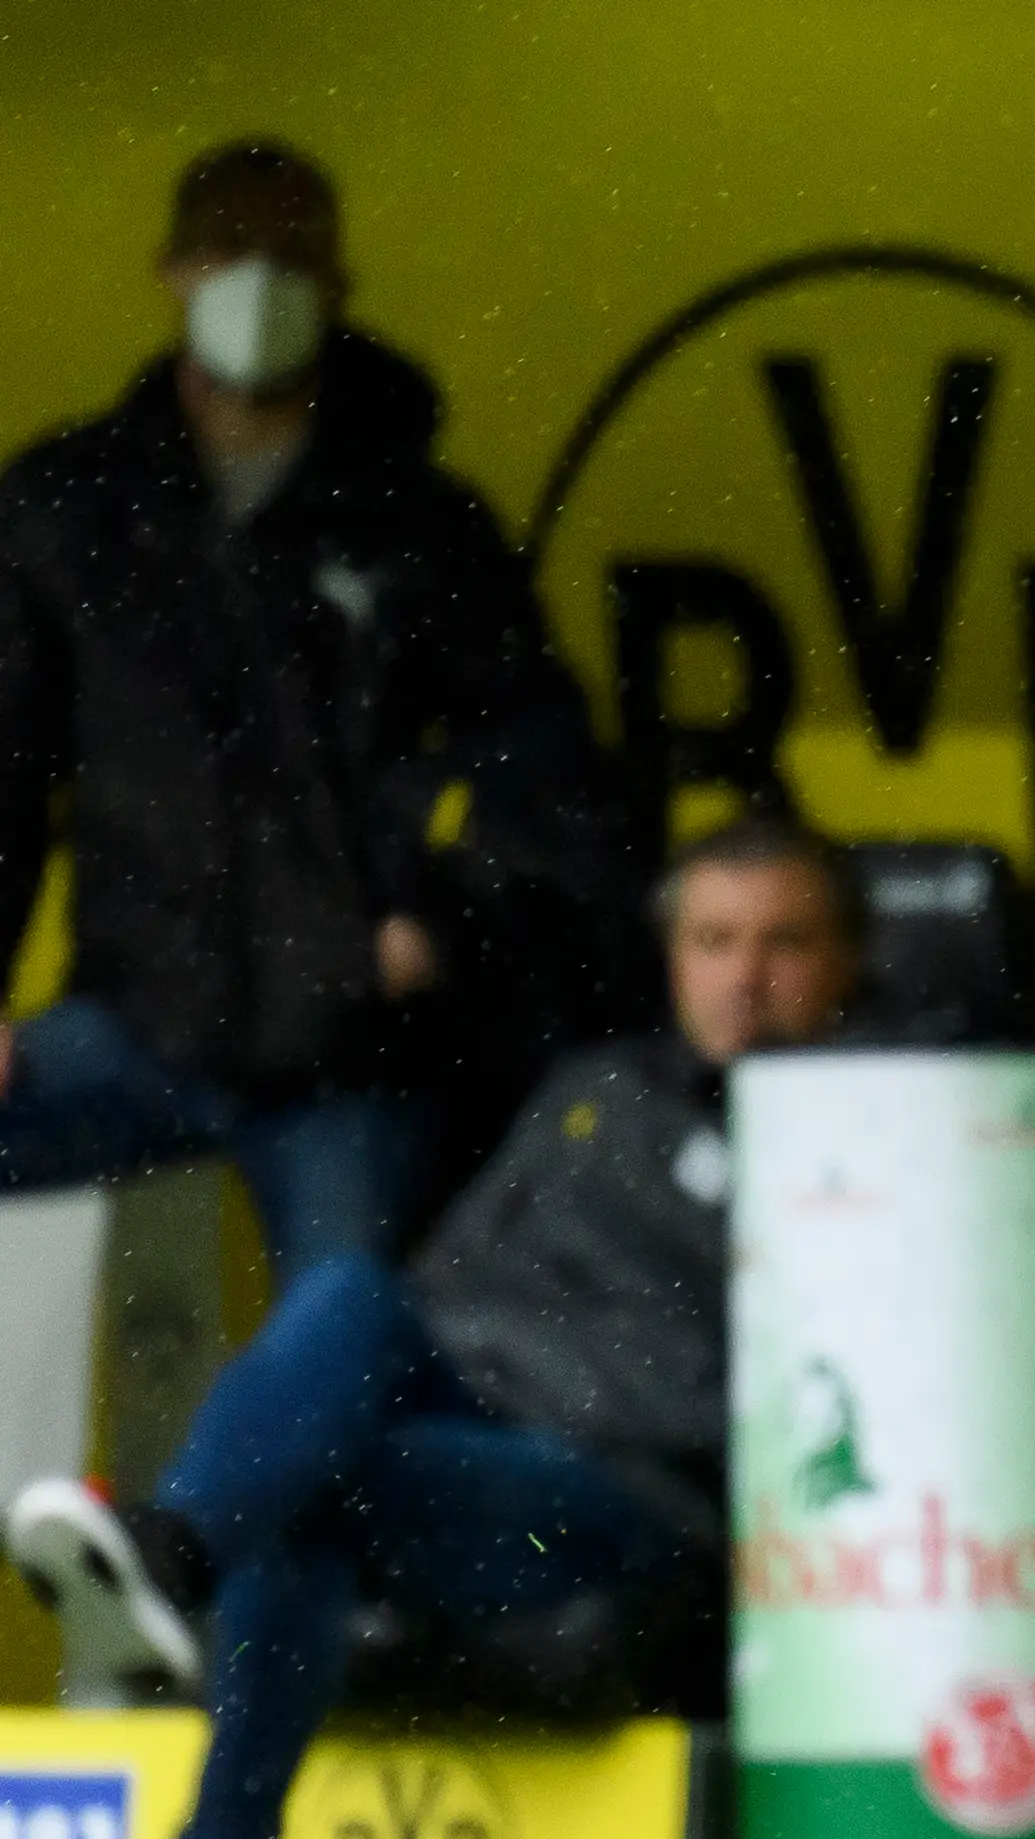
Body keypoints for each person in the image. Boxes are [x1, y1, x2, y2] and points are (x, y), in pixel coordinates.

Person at [7, 819, 857, 1839]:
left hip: (623, 1487)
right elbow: (454, 1281)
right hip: (474, 1411)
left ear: (847, 960)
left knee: (320, 1500)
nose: (746, 977)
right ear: (672, 956)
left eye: (785, 944)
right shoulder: (599, 1089)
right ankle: (172, 1550)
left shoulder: (875, 1135)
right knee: (350, 1293)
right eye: (715, 942)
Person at [0, 139, 629, 1274]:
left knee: (350, 1323)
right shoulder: (69, 507)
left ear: (339, 283)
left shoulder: (424, 520)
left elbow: (538, 761)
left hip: (353, 1049)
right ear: (172, 269)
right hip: (141, 1019)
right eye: (230, 246)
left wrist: (438, 924)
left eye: (293, 252)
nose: (259, 276)